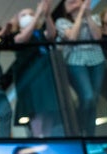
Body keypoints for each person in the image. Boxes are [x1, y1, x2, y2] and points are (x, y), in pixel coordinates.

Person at [13, 0, 64, 137]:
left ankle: (46, 137)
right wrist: (37, 16)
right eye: (24, 15)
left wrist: (46, 15)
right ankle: (38, 136)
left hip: (46, 75)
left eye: (31, 14)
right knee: (36, 110)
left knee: (48, 110)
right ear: (18, 21)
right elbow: (22, 38)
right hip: (31, 77)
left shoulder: (40, 33)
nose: (28, 16)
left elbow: (51, 35)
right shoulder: (16, 36)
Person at [54, 0, 105, 136]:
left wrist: (87, 14)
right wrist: (81, 12)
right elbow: (72, 37)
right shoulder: (61, 22)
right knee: (87, 96)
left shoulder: (93, 18)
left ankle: (89, 135)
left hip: (97, 60)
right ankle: (78, 129)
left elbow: (97, 36)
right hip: (75, 61)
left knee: (93, 99)